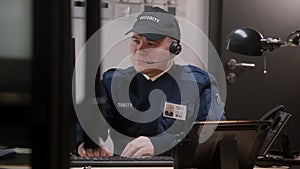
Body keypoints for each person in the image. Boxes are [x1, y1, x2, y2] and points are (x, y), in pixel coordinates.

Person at [76, 7, 226, 157]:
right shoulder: (113, 83)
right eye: (136, 41)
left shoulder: (199, 84)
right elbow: (89, 125)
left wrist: (162, 144)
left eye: (152, 44)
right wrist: (86, 142)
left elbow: (214, 138)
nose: (139, 50)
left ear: (175, 49)